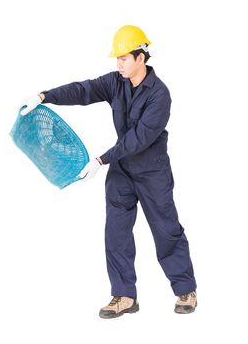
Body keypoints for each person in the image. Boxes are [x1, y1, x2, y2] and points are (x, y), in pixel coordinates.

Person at [20, 25, 197, 318]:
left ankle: (185, 290)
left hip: (152, 173)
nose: (118, 64)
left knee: (166, 231)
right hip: (122, 171)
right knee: (116, 235)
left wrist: (101, 160)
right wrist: (43, 96)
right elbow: (84, 89)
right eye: (117, 59)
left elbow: (138, 138)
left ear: (141, 58)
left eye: (124, 58)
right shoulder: (116, 82)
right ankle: (124, 296)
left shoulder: (160, 95)